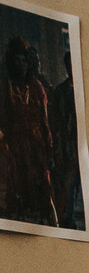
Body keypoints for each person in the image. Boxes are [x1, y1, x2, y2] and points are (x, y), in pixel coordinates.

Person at [3, 34, 62, 227]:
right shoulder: (5, 87)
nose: (21, 65)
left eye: (23, 61)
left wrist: (49, 150)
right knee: (18, 191)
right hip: (14, 149)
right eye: (16, 61)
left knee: (42, 191)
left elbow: (45, 122)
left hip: (36, 149)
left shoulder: (36, 87)